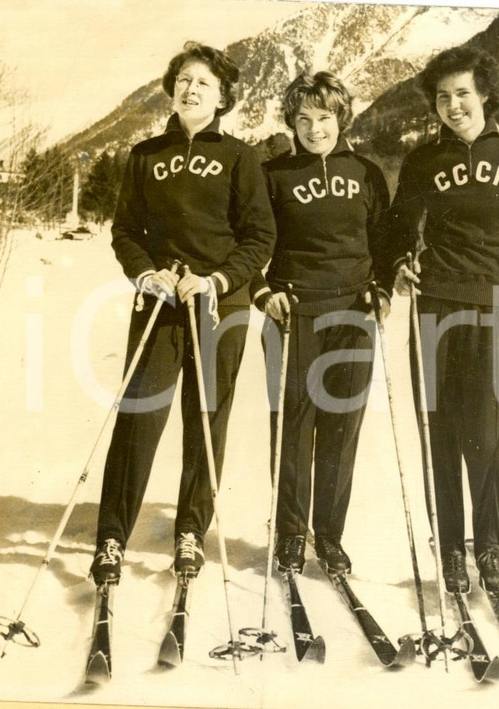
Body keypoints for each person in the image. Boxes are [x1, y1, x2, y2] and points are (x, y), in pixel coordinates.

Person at [90, 42, 276, 585]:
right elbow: (125, 231)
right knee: (139, 417)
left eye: (203, 84)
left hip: (221, 305)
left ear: (222, 98)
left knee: (206, 419)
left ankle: (191, 529)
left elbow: (259, 236)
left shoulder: (242, 158)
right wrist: (147, 274)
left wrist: (216, 279)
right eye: (184, 80)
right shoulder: (145, 154)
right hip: (161, 304)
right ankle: (111, 535)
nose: (190, 90)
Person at [390, 46, 499, 594]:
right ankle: (449, 548)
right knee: (440, 429)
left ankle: (488, 545)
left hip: (498, 305)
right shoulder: (423, 161)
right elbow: (399, 223)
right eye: (442, 97)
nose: (453, 106)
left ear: (485, 93)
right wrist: (398, 262)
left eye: (462, 93)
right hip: (436, 305)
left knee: (493, 434)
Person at [250, 72, 393, 575]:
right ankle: (290, 534)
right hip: (293, 311)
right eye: (304, 119)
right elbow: (247, 242)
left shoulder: (367, 173)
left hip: (353, 312)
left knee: (341, 426)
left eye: (325, 118)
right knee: (293, 426)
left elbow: (387, 242)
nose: (315, 129)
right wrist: (261, 290)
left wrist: (383, 286)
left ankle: (329, 536)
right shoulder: (272, 175)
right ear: (291, 122)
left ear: (342, 119)